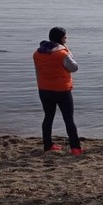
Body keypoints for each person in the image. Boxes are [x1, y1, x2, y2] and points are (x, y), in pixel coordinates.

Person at [33, 26, 83, 155]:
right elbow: (74, 68)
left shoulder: (38, 53)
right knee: (68, 119)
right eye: (65, 37)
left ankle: (48, 145)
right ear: (61, 38)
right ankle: (75, 148)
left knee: (48, 117)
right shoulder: (62, 53)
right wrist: (68, 51)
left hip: (44, 89)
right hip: (62, 90)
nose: (66, 39)